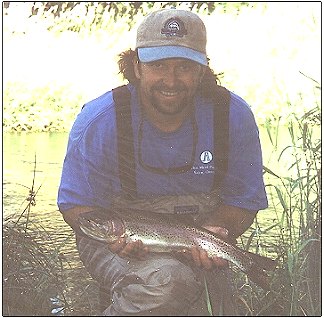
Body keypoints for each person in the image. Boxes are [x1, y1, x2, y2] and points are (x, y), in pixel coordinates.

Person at [58, 8, 268, 316]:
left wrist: (218, 230)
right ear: (137, 67)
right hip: (112, 238)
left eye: (184, 66)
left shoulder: (232, 116)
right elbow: (74, 204)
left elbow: (243, 200)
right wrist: (115, 238)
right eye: (158, 65)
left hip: (199, 237)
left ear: (202, 70)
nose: (171, 80)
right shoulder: (101, 120)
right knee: (167, 282)